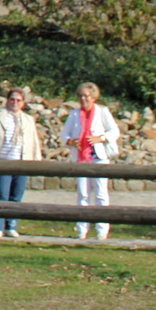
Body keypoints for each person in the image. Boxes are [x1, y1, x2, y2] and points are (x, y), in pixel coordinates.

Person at [61, 81, 120, 240]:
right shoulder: (74, 114)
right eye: (80, 96)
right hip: (81, 159)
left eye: (86, 96)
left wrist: (101, 138)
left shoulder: (102, 112)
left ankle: (102, 230)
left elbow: (114, 131)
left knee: (101, 194)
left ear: (93, 97)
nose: (83, 99)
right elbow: (64, 135)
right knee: (83, 194)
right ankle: (82, 229)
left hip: (98, 158)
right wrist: (71, 141)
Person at [0, 87, 41, 238]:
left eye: (18, 100)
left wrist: (36, 161)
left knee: (16, 196)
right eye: (12, 99)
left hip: (21, 162)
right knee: (1, 193)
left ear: (23, 103)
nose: (15, 103)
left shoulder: (28, 119)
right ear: (7, 100)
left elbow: (34, 141)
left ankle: (11, 225)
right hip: (2, 160)